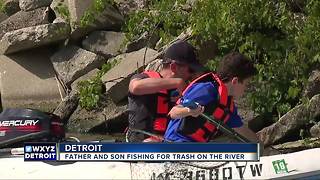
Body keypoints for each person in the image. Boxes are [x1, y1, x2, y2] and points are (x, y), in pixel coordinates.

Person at [164, 52, 260, 143]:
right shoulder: (206, 89)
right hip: (176, 144)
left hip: (195, 148)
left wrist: (260, 144)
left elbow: (242, 130)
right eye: (246, 85)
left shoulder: (228, 106)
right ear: (235, 81)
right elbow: (173, 112)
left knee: (240, 143)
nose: (246, 89)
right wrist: (189, 111)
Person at [126, 40, 204, 142]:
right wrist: (177, 82)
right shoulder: (143, 78)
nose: (192, 75)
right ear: (173, 67)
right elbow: (135, 87)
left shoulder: (182, 91)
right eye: (191, 70)